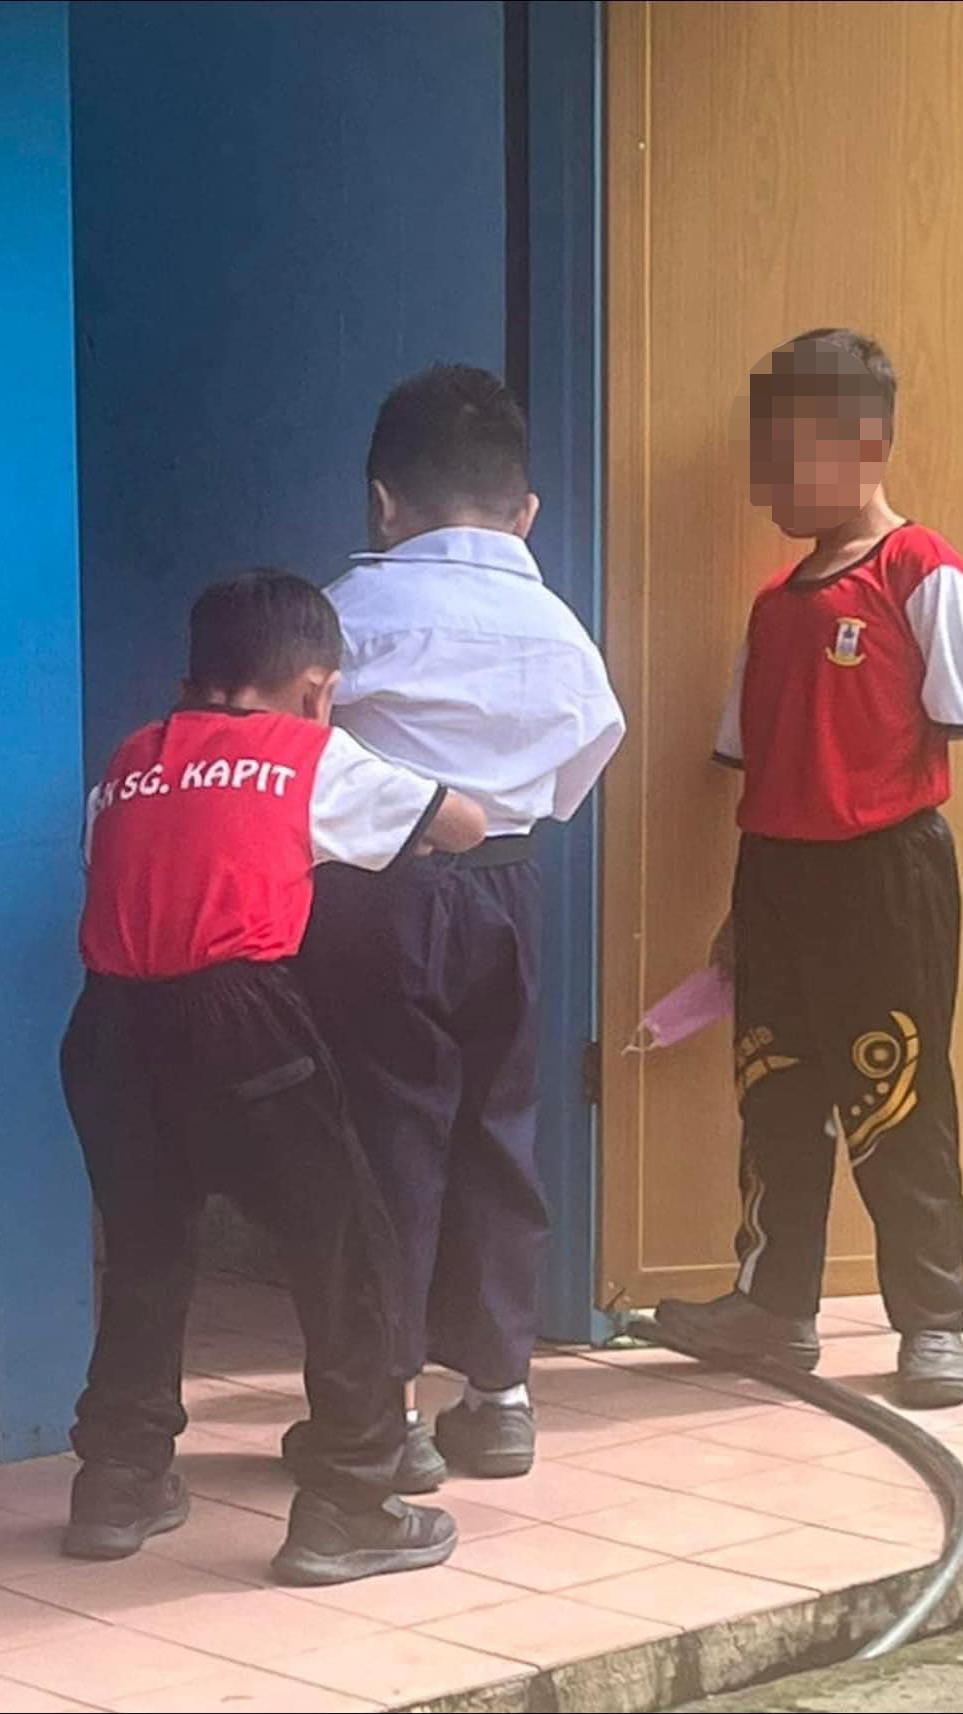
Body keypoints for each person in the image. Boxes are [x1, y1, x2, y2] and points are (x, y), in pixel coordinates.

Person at [60, 569, 488, 1585]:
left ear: (193, 677)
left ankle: (119, 1481)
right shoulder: (307, 752)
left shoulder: (129, 761)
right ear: (311, 687)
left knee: (147, 1250)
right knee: (347, 1251)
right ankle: (350, 1499)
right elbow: (460, 821)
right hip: (240, 1020)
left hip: (109, 1028)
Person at [655, 329, 963, 1409]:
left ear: (862, 445)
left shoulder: (924, 575)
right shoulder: (772, 609)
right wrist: (737, 914)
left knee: (898, 1097)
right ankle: (776, 1306)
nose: (766, 481)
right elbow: (755, 769)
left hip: (886, 876)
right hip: (776, 881)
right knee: (775, 1097)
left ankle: (932, 1318)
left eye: (784, 455)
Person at [288, 365, 626, 1492]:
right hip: (514, 893)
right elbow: (587, 754)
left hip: (379, 895)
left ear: (384, 502)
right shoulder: (561, 628)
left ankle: (382, 1406)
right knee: (499, 1125)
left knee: (384, 1137)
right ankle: (500, 1396)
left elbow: (301, 751)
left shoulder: (352, 611)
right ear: (525, 511)